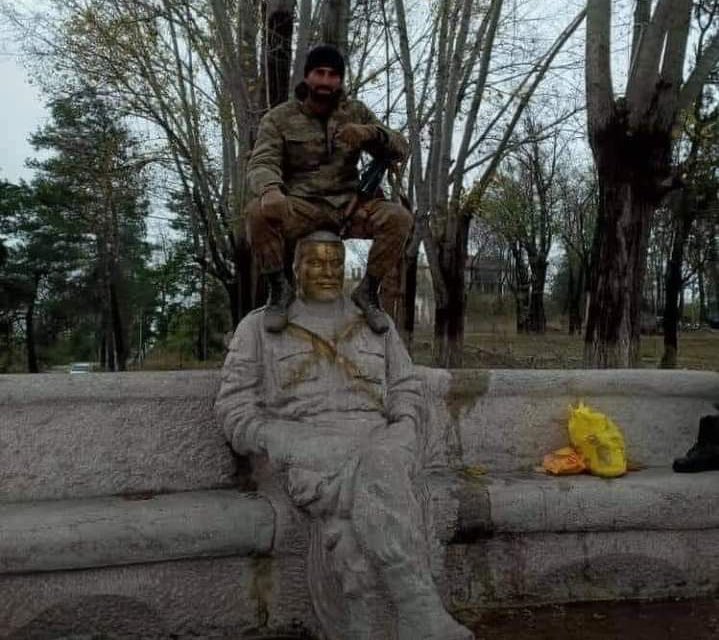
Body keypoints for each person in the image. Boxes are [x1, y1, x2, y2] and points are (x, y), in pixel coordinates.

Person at [215, 231, 474, 640]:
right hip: (309, 450)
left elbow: (406, 387)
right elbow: (233, 408)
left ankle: (384, 621)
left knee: (359, 518)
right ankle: (418, 609)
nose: (328, 271)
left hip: (379, 443)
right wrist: (279, 438)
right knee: (377, 480)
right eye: (315, 263)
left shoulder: (375, 322)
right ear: (294, 269)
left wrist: (405, 426)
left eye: (335, 263)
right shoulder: (259, 328)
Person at [245, 43, 413, 335]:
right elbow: (262, 160)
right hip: (301, 206)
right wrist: (270, 189)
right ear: (307, 77)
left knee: (399, 219)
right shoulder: (279, 117)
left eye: (333, 75)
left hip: (348, 207)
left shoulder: (356, 112)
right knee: (255, 214)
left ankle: (368, 292)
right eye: (319, 73)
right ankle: (279, 291)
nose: (325, 81)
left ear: (340, 80)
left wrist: (371, 133)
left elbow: (401, 148)